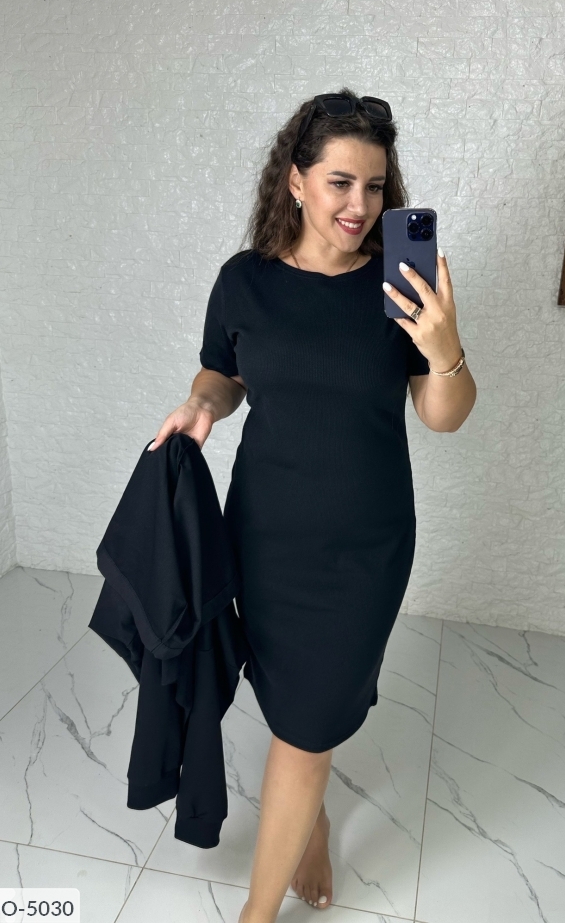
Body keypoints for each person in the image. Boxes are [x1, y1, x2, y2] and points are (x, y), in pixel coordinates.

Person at [148, 88, 476, 923]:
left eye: (375, 185)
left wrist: (445, 351)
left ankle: (256, 916)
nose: (360, 205)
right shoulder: (244, 282)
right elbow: (223, 371)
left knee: (304, 727)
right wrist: (203, 405)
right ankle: (314, 824)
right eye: (340, 182)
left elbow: (444, 415)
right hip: (263, 536)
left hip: (365, 549)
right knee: (292, 708)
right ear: (295, 181)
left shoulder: (404, 285)